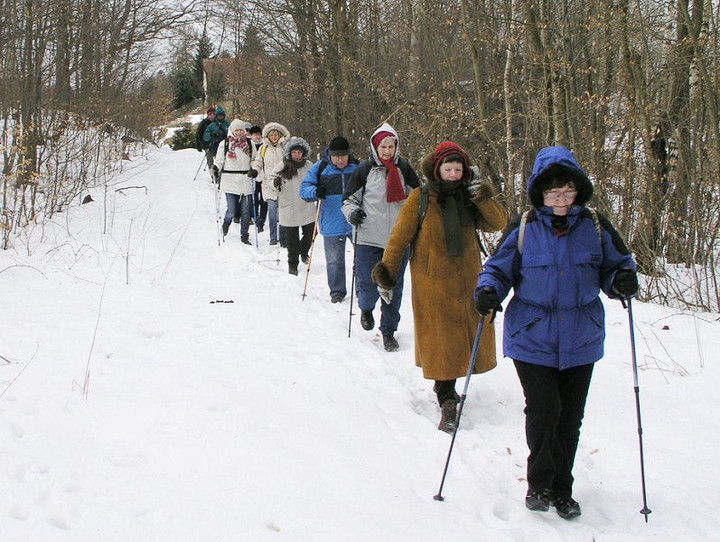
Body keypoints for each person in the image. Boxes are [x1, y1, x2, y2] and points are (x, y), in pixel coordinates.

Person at [474, 145, 638, 520]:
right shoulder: (524, 226)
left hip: (581, 336)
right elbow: (498, 270)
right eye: (553, 192)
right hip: (532, 335)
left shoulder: (595, 226)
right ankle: (539, 484)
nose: (561, 199)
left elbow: (616, 269)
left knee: (570, 417)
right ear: (540, 193)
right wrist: (487, 291)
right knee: (544, 410)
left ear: (577, 190)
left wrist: (623, 281)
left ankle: (563, 489)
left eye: (568, 191)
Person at [371, 142, 507, 432]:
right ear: (437, 170)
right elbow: (399, 238)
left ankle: (450, 389)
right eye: (448, 168)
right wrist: (388, 273)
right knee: (443, 342)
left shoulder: (470, 199)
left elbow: (497, 223)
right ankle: (446, 398)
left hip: (468, 280)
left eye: (459, 169)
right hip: (433, 284)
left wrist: (482, 196)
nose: (454, 173)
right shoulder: (420, 199)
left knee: (462, 338)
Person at [342, 122, 420, 352]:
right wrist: (353, 214)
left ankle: (388, 332)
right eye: (383, 147)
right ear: (375, 147)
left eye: (391, 146)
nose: (387, 151)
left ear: (397, 146)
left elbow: (418, 200)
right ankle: (365, 308)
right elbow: (347, 200)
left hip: (397, 240)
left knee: (392, 289)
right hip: (368, 238)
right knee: (367, 285)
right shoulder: (365, 170)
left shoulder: (404, 169)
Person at [300, 136, 359, 303]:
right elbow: (304, 189)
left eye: (343, 155)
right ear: (330, 155)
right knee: (334, 261)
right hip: (332, 221)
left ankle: (362, 289)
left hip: (356, 221)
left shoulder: (357, 167)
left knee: (362, 257)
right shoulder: (321, 168)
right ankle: (337, 292)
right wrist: (316, 192)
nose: (340, 159)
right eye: (336, 156)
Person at [270, 136, 316, 275]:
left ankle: (304, 251)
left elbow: (316, 178)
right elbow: (271, 179)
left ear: (304, 153)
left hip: (306, 205)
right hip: (288, 207)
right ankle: (292, 265)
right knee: (292, 241)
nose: (297, 155)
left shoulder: (309, 165)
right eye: (294, 152)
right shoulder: (282, 165)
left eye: (300, 152)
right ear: (289, 153)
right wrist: (275, 183)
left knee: (311, 234)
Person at [214, 119, 258, 244]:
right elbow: (219, 160)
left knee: (245, 211)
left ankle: (244, 235)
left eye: (241, 130)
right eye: (236, 130)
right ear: (232, 131)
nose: (239, 133)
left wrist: (254, 169)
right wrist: (215, 168)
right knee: (232, 209)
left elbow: (255, 159)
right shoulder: (226, 144)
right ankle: (226, 223)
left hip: (245, 179)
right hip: (230, 180)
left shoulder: (249, 144)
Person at [252, 122, 290, 245]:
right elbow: (258, 162)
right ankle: (273, 237)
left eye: (276, 135)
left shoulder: (286, 148)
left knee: (283, 213)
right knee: (272, 212)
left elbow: (290, 164)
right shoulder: (263, 149)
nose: (274, 137)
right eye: (271, 135)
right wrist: (254, 171)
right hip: (269, 185)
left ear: (280, 136)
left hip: (284, 184)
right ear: (268, 136)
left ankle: (284, 238)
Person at [203, 106, 229, 183]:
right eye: (219, 116)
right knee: (213, 161)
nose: (220, 117)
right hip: (214, 146)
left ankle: (222, 177)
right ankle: (214, 175)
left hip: (225, 145)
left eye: (221, 115)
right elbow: (205, 136)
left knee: (224, 161)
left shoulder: (227, 124)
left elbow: (232, 134)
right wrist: (211, 135)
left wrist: (225, 136)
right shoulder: (212, 125)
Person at [196, 106, 215, 171]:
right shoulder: (204, 122)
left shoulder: (217, 122)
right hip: (207, 145)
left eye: (213, 114)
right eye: (210, 115)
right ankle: (212, 174)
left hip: (216, 144)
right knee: (210, 160)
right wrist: (199, 145)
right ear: (208, 115)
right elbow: (199, 134)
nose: (212, 116)